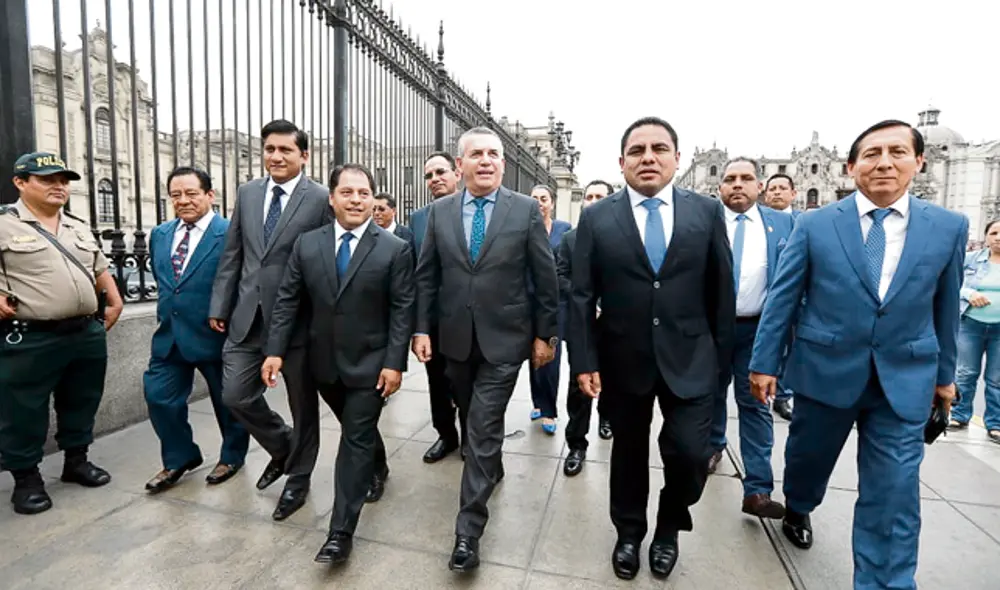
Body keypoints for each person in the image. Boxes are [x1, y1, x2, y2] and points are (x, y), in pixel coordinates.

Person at [749, 120, 966, 590]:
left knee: (893, 495)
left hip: (904, 381)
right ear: (850, 167)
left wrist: (945, 378)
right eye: (871, 154)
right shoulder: (815, 224)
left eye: (896, 152)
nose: (884, 162)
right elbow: (783, 298)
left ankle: (884, 582)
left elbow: (946, 308)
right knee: (806, 464)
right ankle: (800, 504)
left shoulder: (948, 227)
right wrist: (764, 363)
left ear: (918, 162)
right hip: (825, 373)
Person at [570, 117, 735, 581]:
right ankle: (628, 531)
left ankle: (669, 526)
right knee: (627, 452)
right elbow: (582, 295)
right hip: (624, 360)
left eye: (659, 148)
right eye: (637, 150)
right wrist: (584, 360)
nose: (648, 157)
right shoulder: (599, 217)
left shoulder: (705, 212)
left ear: (676, 159)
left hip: (693, 359)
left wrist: (722, 363)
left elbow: (722, 288)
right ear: (621, 162)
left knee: (687, 453)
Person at [412, 127, 559, 572]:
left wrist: (544, 336)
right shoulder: (438, 212)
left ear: (503, 163)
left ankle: (467, 532)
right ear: (461, 165)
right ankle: (489, 469)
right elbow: (426, 276)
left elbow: (544, 276)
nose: (486, 161)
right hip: (454, 341)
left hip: (504, 339)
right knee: (469, 413)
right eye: (476, 154)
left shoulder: (524, 211)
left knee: (482, 425)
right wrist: (421, 330)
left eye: (494, 154)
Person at [262, 163, 414, 565]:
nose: (356, 200)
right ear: (332, 199)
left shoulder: (394, 249)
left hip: (372, 365)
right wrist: (275, 350)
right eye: (347, 193)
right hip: (323, 364)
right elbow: (288, 301)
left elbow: (402, 310)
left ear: (373, 199)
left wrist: (394, 363)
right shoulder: (307, 245)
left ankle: (340, 532)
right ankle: (378, 466)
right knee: (355, 428)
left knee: (355, 437)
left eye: (363, 193)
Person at [209, 119, 331, 521]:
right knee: (234, 396)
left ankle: (299, 477)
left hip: (298, 322)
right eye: (269, 149)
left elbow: (327, 263)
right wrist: (219, 306)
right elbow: (234, 253)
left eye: (285, 150)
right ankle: (285, 447)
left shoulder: (320, 199)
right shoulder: (247, 193)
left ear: (304, 156)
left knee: (302, 404)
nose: (275, 157)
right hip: (246, 317)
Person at [0, 152, 124, 515]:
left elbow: (99, 266)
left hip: (85, 333)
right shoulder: (4, 224)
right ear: (20, 183)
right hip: (31, 336)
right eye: (47, 179)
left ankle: (77, 461)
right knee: (23, 409)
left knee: (82, 400)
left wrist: (114, 299)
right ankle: (26, 479)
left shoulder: (77, 226)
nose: (59, 186)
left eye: (63, 180)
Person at [142, 166, 250, 493]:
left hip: (216, 335)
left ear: (209, 195)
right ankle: (180, 457)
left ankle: (232, 456)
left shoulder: (231, 232)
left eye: (191, 193)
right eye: (176, 195)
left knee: (227, 403)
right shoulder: (160, 234)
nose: (183, 201)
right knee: (159, 397)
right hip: (170, 337)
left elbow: (244, 283)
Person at [706, 158, 792, 518]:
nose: (737, 185)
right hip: (710, 329)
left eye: (746, 179)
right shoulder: (703, 223)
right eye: (729, 179)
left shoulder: (784, 224)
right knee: (709, 394)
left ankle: (757, 489)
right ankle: (712, 446)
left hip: (758, 330)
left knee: (756, 404)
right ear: (720, 188)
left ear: (759, 186)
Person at [409, 151, 464, 464]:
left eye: (440, 172)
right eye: (429, 176)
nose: (434, 180)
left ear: (456, 172)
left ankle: (472, 437)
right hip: (433, 321)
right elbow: (416, 276)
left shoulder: (475, 211)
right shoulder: (418, 219)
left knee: (467, 385)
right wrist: (419, 327)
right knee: (437, 384)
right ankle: (446, 435)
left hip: (470, 319)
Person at [559, 179, 614, 477]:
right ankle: (576, 444)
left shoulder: (623, 236)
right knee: (577, 386)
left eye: (600, 196)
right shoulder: (569, 239)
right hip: (582, 325)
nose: (593, 201)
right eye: (589, 196)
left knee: (612, 377)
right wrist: (585, 299)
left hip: (616, 325)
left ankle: (606, 417)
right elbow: (561, 275)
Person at [950, 219, 1000, 442]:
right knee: (966, 372)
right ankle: (959, 415)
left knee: (997, 378)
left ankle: (996, 423)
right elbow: (952, 282)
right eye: (994, 233)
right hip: (970, 324)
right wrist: (969, 294)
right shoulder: (971, 259)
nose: (998, 237)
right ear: (987, 236)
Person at [528, 184, 572, 435]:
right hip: (530, 302)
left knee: (551, 355)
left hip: (558, 303)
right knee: (533, 355)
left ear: (552, 203)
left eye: (543, 199)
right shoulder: (524, 229)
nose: (539, 203)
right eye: (534, 199)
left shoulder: (564, 230)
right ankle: (537, 401)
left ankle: (549, 410)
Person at [762, 173, 800, 421]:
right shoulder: (759, 222)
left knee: (791, 348)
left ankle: (784, 395)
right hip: (764, 298)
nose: (776, 192)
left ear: (793, 193)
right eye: (772, 188)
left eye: (782, 188)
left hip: (795, 298)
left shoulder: (804, 221)